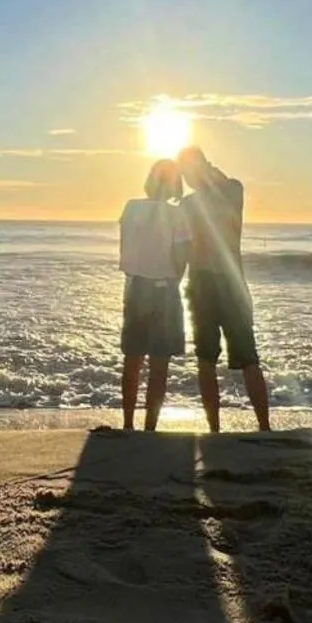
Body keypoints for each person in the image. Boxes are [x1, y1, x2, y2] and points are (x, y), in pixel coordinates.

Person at [176, 145, 271, 432]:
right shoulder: (228, 193)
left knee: (216, 358)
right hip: (222, 283)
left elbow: (183, 250)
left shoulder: (213, 197)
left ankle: (226, 427)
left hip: (208, 283)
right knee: (231, 357)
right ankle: (254, 427)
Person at [117, 159, 190, 432]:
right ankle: (150, 427)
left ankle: (128, 423)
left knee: (133, 358)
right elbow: (181, 255)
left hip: (135, 286)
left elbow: (126, 245)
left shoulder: (131, 207)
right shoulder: (177, 214)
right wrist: (174, 278)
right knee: (159, 363)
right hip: (163, 288)